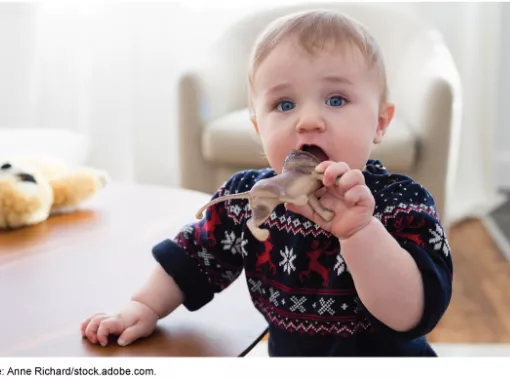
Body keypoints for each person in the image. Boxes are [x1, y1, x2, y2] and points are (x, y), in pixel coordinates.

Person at [80, 9, 453, 357]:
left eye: (336, 99)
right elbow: (194, 255)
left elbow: (410, 314)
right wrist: (143, 306)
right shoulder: (250, 201)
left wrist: (360, 232)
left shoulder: (399, 202)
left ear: (380, 123)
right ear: (259, 129)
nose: (308, 120)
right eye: (284, 105)